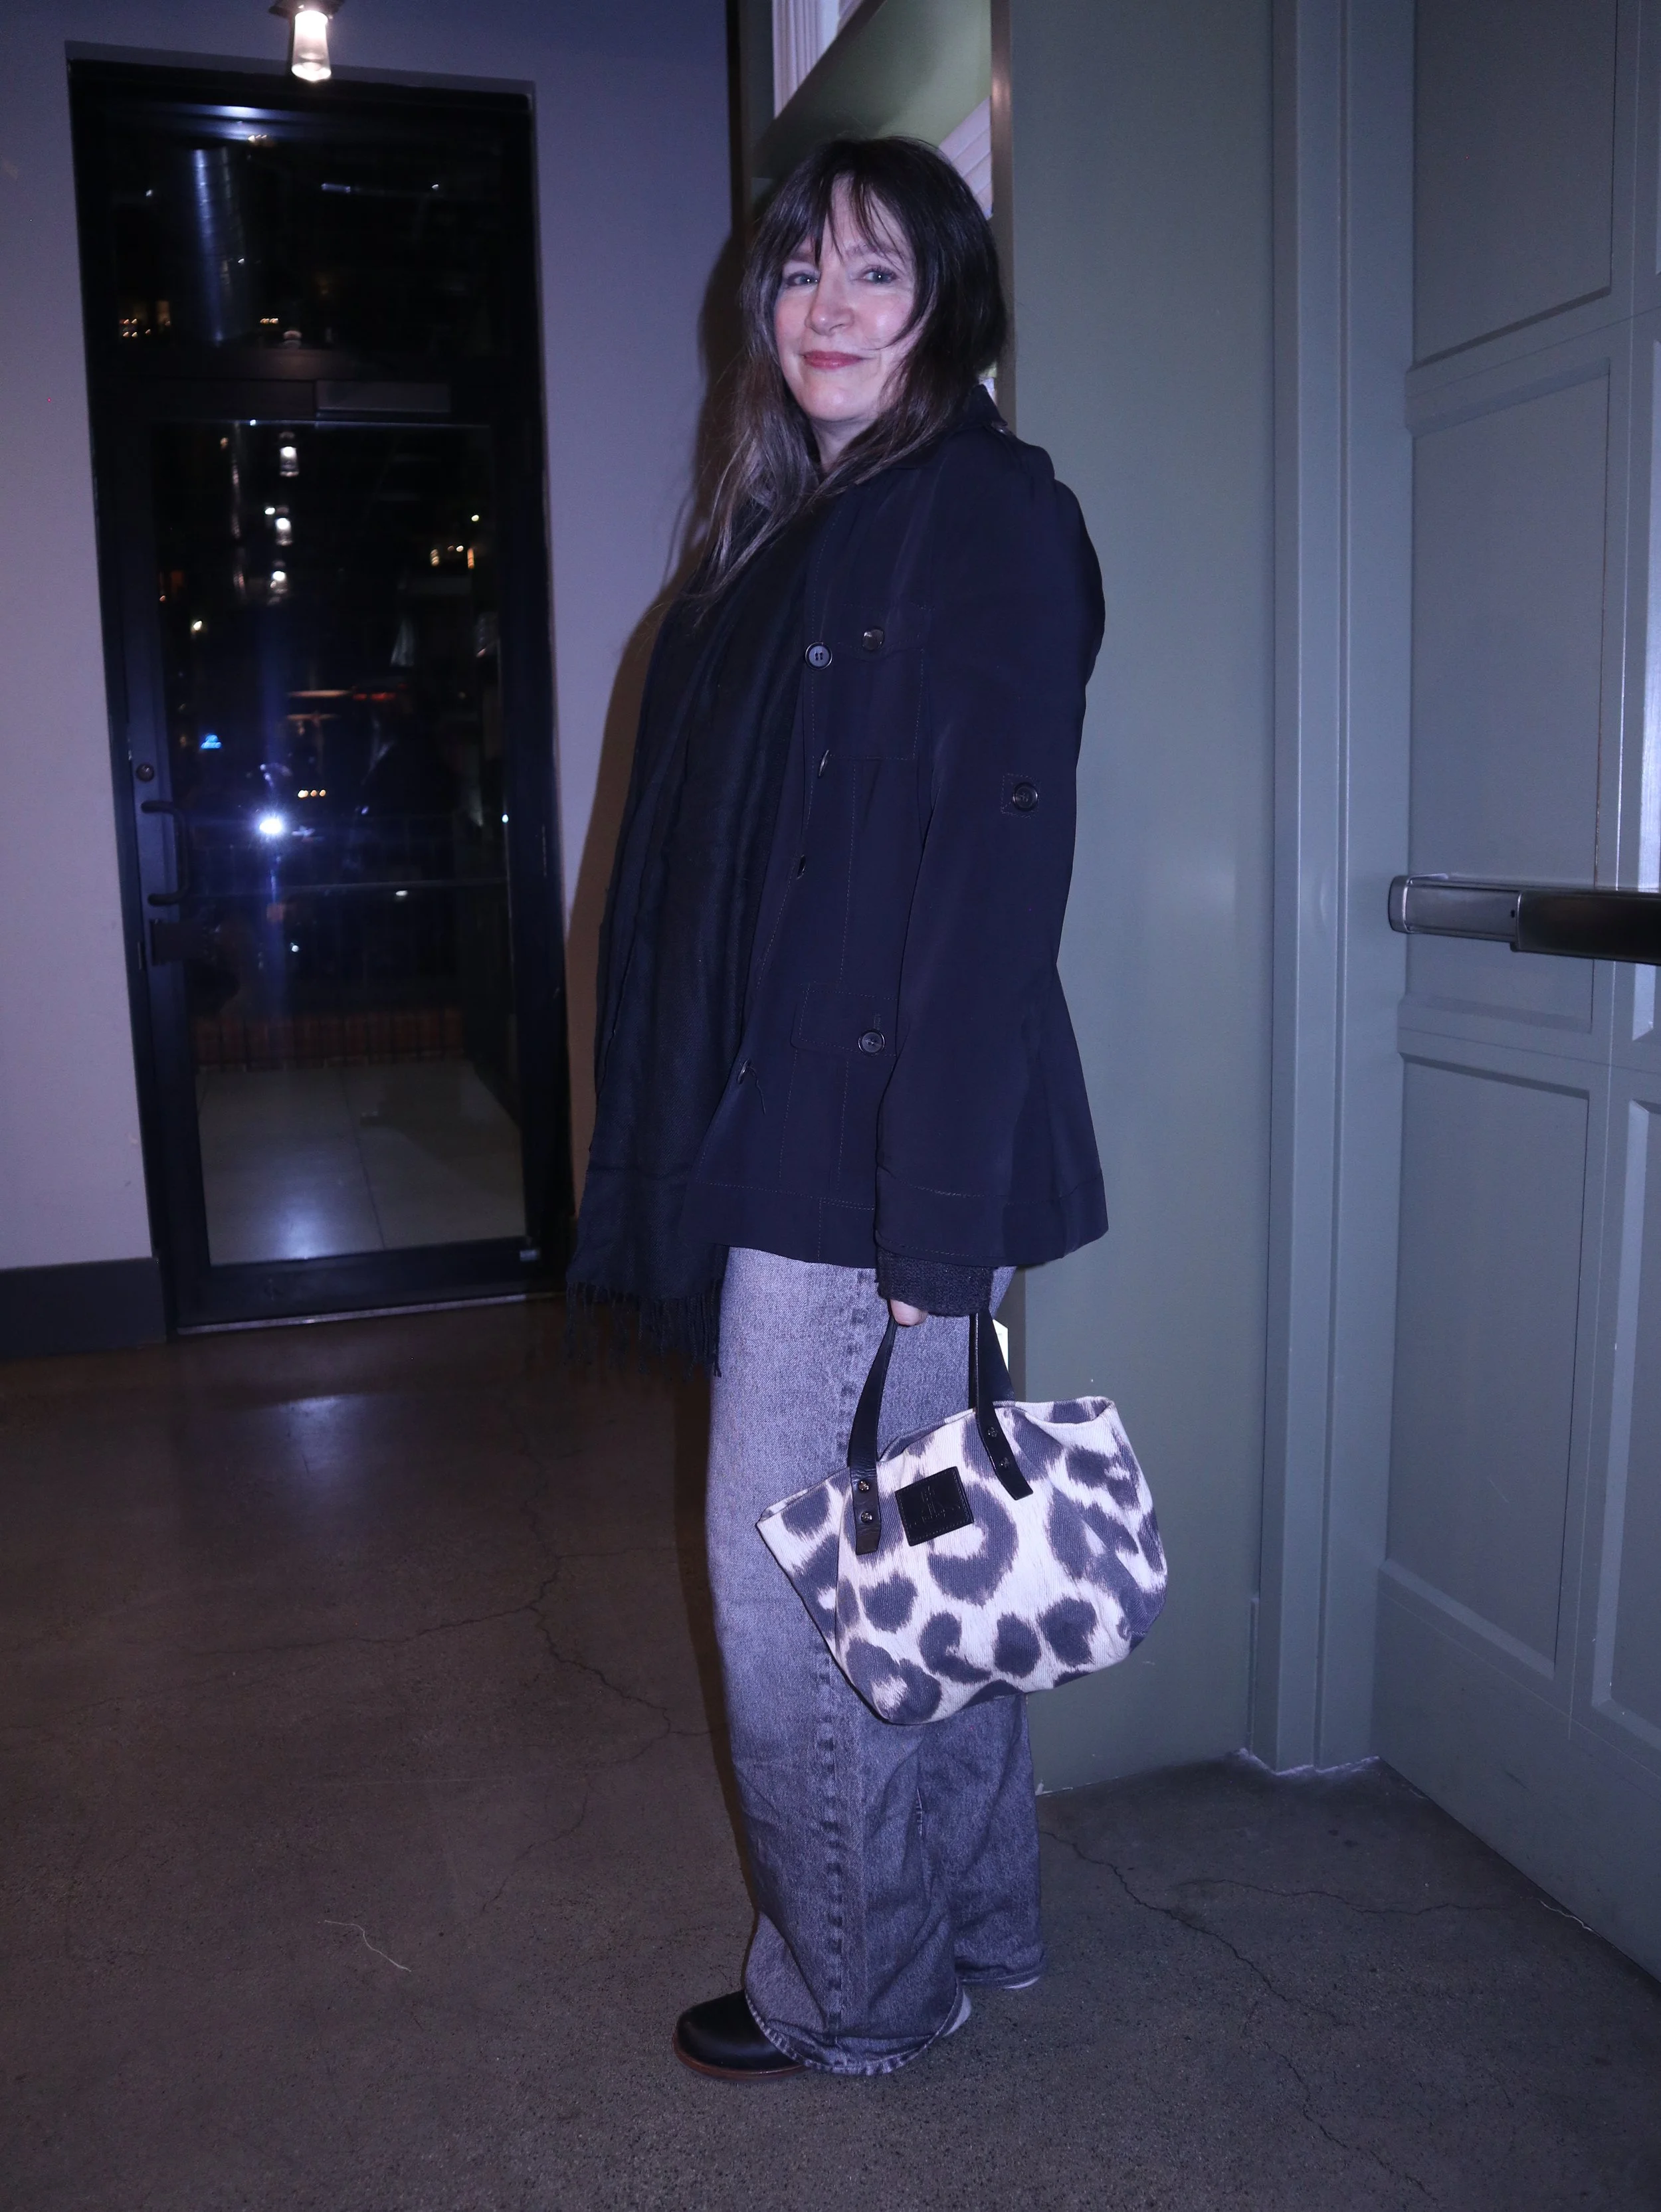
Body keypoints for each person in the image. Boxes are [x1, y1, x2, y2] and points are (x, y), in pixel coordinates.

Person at [567, 136, 1106, 2078]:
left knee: (793, 1595)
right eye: (797, 270)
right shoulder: (785, 535)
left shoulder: (982, 512)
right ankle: (983, 1916)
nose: (825, 307)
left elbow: (990, 887)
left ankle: (859, 1993)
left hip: (871, 1160)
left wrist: (928, 1229)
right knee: (926, 1552)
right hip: (791, 1130)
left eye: (875, 270)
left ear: (947, 302)